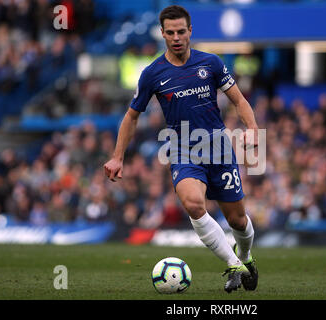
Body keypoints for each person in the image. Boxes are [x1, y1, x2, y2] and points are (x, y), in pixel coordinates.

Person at [104, 5, 260, 293]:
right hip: (183, 149)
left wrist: (251, 129)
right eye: (170, 32)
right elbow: (131, 116)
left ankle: (246, 257)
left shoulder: (211, 63)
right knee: (193, 204)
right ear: (162, 34)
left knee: (238, 219)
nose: (176, 37)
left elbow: (238, 100)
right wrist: (117, 157)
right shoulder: (152, 73)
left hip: (219, 149)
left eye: (181, 31)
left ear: (190, 32)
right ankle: (232, 264)